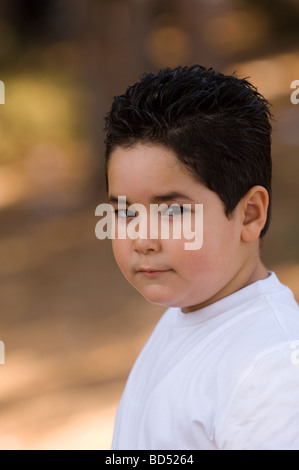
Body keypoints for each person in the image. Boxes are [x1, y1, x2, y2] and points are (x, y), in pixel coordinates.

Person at [103, 65, 299, 450]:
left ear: (249, 214)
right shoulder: (185, 313)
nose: (142, 239)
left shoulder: (273, 370)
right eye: (125, 212)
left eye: (172, 212)